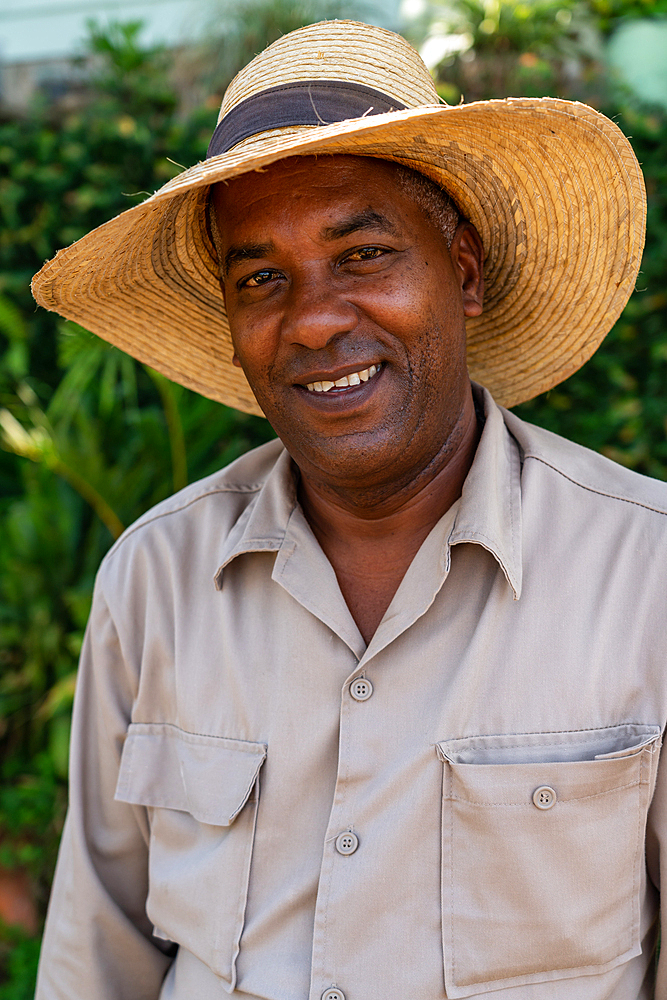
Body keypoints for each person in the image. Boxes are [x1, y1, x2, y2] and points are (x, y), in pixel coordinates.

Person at [31, 18, 667, 1000]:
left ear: (462, 273)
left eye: (363, 253)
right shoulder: (155, 579)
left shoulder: (643, 573)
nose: (315, 318)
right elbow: (96, 952)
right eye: (261, 279)